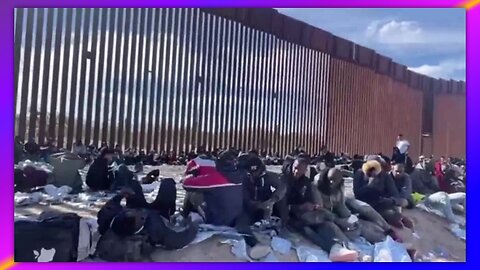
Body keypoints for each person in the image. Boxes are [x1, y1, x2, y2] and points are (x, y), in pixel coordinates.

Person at [182, 150, 271, 260]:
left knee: (193, 193)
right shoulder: (241, 175)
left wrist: (191, 175)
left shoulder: (213, 178)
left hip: (218, 219)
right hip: (237, 216)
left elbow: (186, 184)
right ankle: (254, 243)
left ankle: (184, 217)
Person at [284, 157, 358, 262]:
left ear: (305, 170)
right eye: (295, 168)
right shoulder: (284, 180)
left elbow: (308, 199)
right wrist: (299, 207)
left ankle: (341, 246)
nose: (296, 171)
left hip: (304, 213)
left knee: (324, 223)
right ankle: (331, 248)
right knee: (306, 229)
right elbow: (280, 205)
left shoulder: (305, 181)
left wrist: (312, 206)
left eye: (300, 169)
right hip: (288, 215)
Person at [97, 186, 198, 252]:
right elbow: (179, 240)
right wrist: (193, 226)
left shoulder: (111, 218)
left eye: (128, 212)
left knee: (133, 185)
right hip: (159, 212)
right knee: (168, 184)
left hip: (133, 214)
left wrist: (120, 195)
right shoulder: (154, 228)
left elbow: (110, 206)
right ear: (140, 221)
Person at [353, 157, 410, 229]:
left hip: (380, 204)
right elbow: (357, 194)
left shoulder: (384, 175)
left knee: (398, 209)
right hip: (364, 205)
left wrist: (392, 201)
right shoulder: (360, 173)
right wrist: (370, 186)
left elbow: (394, 194)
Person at [242, 156, 288, 226]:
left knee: (282, 200)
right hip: (249, 206)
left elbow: (282, 186)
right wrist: (256, 204)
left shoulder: (268, 176)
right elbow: (243, 196)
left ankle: (282, 223)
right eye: (251, 172)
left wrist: (273, 200)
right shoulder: (244, 178)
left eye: (256, 171)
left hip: (266, 205)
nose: (253, 174)